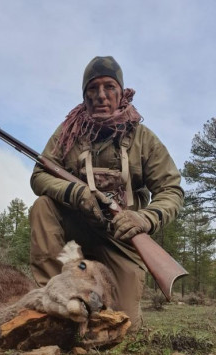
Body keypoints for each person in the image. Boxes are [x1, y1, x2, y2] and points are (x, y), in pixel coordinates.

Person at [29, 56, 184, 331]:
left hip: (123, 240)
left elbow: (171, 190)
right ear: (85, 95)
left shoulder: (143, 137)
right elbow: (40, 175)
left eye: (109, 87)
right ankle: (51, 305)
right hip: (78, 231)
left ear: (122, 92)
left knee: (123, 328)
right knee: (43, 206)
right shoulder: (68, 132)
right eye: (92, 89)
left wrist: (144, 219)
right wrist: (74, 192)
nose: (101, 95)